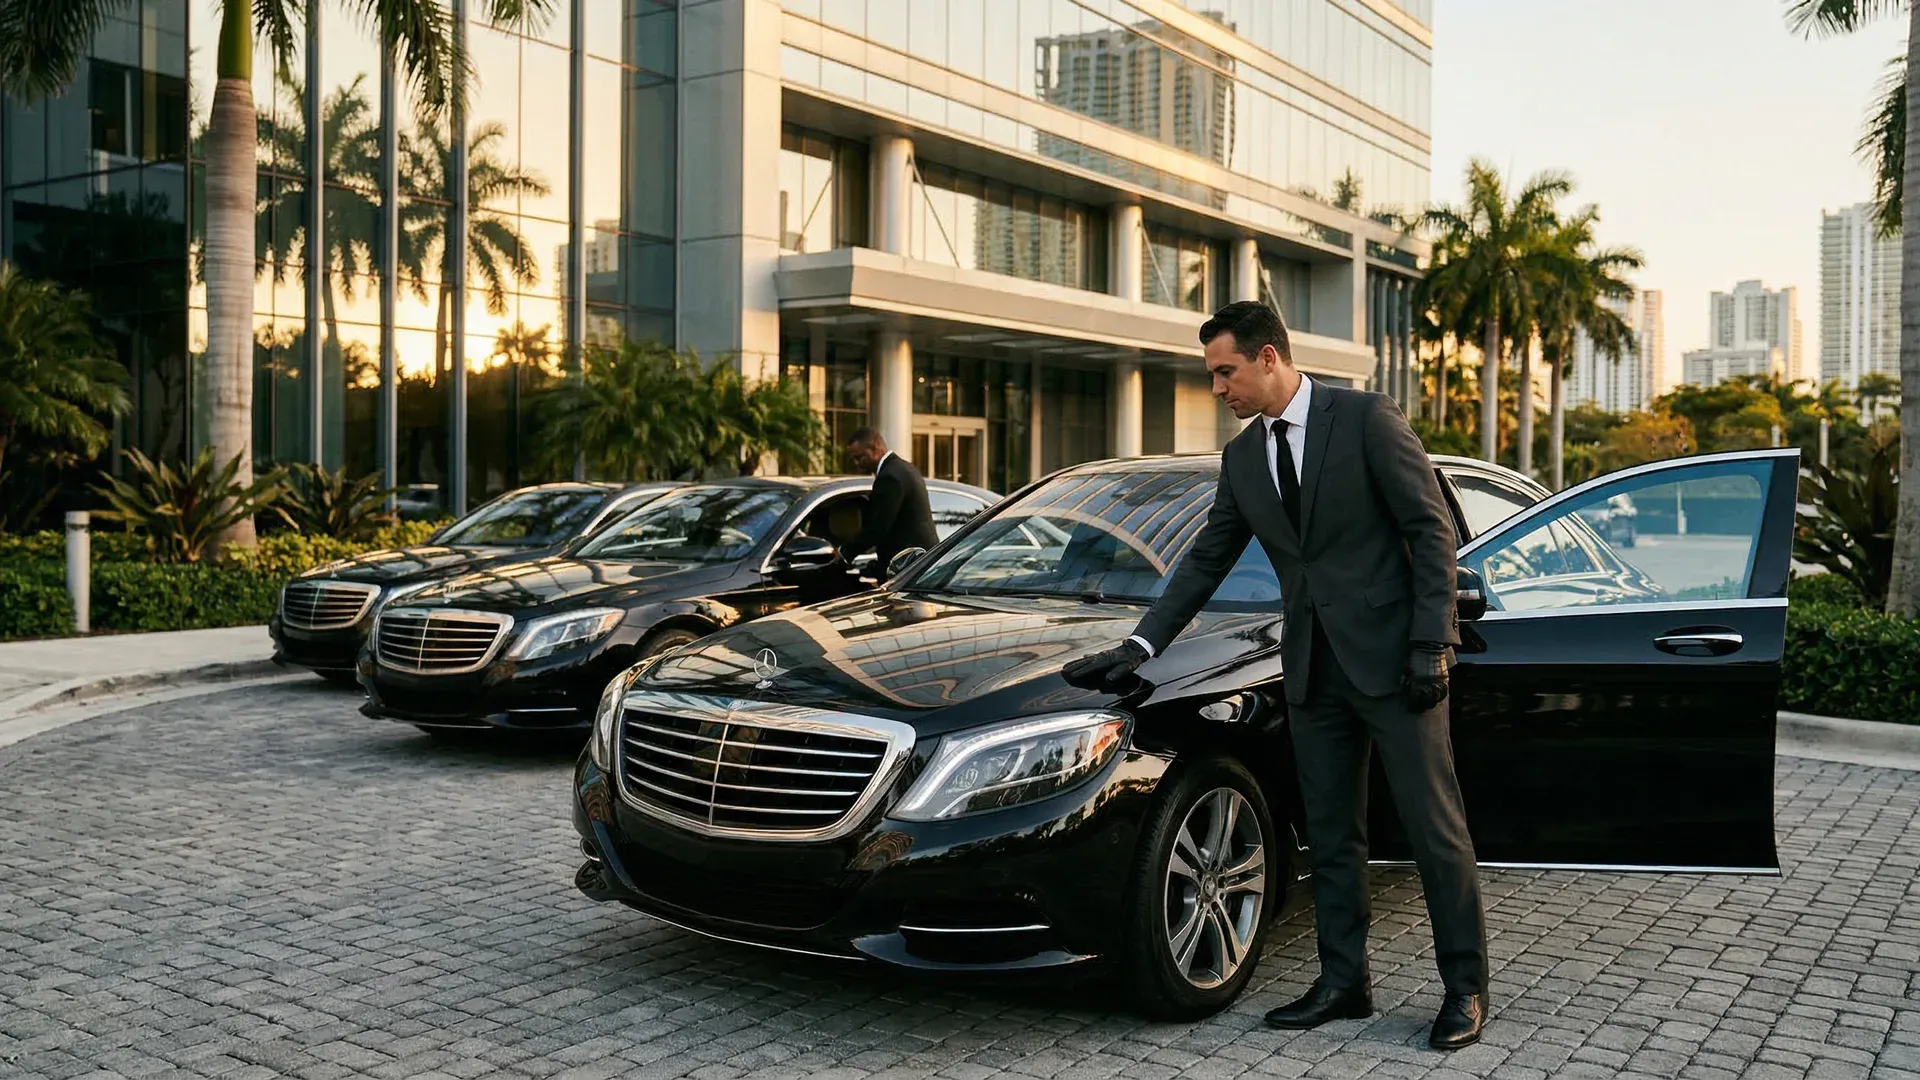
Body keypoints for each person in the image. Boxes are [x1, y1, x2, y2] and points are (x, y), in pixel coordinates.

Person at [1062, 301, 1489, 1050]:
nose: (1218, 388)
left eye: (1225, 371)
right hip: (1312, 668)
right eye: (1212, 375)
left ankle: (1465, 989)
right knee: (1330, 834)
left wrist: (1432, 643)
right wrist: (1139, 646)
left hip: (1396, 665)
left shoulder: (1366, 419)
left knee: (1433, 830)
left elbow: (1431, 531)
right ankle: (1343, 983)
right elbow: (1204, 560)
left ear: (1268, 357)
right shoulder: (1243, 458)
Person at [844, 428, 938, 577]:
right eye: (853, 459)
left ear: (875, 448)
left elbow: (878, 526)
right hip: (919, 562)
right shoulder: (904, 467)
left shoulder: (890, 477)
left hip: (908, 566)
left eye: (860, 457)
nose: (857, 463)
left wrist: (844, 553)